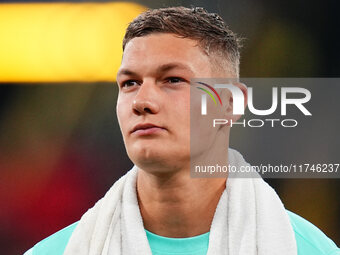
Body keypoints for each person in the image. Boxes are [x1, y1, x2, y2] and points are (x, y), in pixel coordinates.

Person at [24, 6, 339, 255]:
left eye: (172, 80)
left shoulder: (310, 250)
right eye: (130, 83)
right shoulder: (54, 252)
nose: (142, 101)